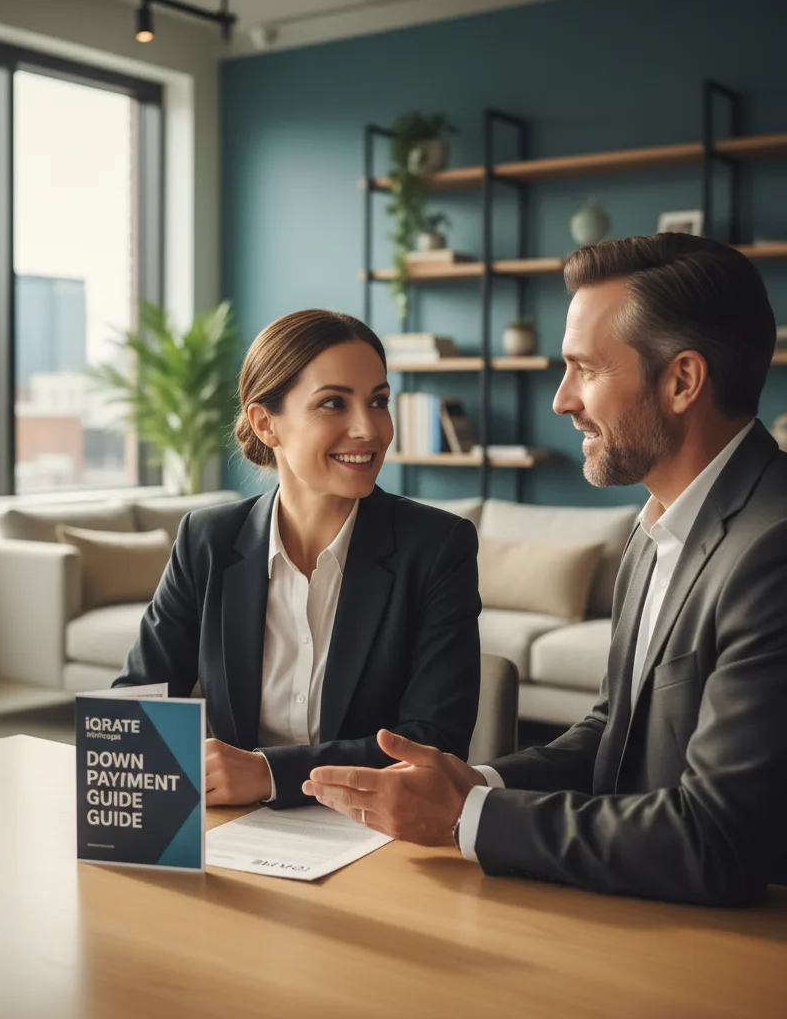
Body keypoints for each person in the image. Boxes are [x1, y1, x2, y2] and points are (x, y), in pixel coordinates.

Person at [305, 234, 787, 906]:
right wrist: (477, 784)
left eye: (584, 369)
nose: (562, 400)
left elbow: (716, 840)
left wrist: (464, 819)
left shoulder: (772, 549)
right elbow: (613, 732)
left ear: (682, 381)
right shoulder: (659, 528)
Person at [114, 308, 481, 809]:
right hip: (230, 830)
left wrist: (269, 774)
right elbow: (137, 705)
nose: (369, 430)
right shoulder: (207, 540)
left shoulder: (438, 547)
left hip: (375, 834)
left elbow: (432, 745)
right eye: (334, 403)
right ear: (266, 424)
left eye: (379, 402)